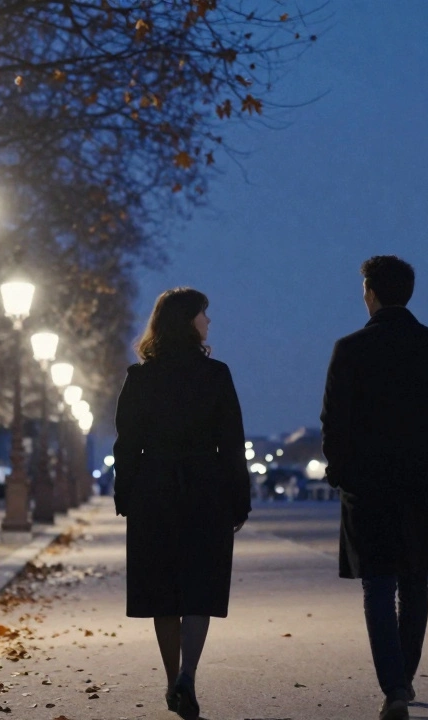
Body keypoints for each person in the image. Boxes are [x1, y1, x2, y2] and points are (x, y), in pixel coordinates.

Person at [321, 256, 428, 720]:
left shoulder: (349, 349)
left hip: (368, 487)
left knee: (378, 584)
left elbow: (334, 424)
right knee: (416, 581)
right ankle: (404, 677)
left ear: (370, 292)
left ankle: (393, 686)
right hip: (422, 484)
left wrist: (343, 474)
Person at [111, 287, 251, 720]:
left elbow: (127, 444)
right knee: (199, 589)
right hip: (205, 488)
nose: (209, 321)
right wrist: (238, 499)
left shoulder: (140, 378)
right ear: (189, 320)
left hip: (155, 489)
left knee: (163, 593)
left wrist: (126, 494)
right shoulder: (217, 375)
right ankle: (189, 674)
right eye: (204, 313)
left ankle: (172, 679)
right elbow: (231, 443)